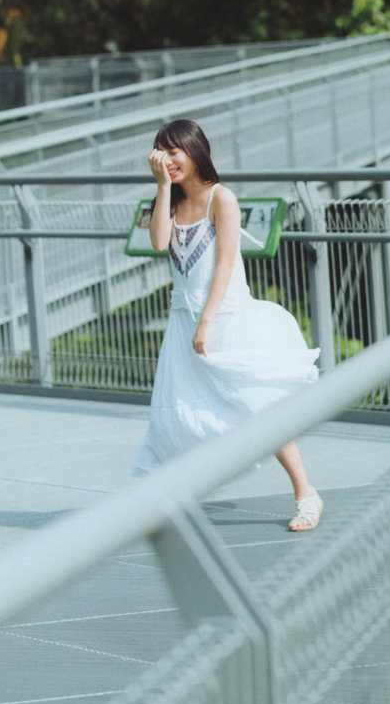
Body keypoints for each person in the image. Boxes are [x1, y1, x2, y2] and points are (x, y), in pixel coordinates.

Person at [131, 118, 323, 532]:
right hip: (183, 321)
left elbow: (224, 264)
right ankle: (165, 497)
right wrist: (163, 187)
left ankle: (306, 493)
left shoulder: (223, 198)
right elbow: (160, 242)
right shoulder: (169, 200)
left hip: (226, 317)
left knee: (259, 409)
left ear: (195, 151)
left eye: (173, 151)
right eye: (160, 152)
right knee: (175, 413)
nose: (167, 160)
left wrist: (207, 322)